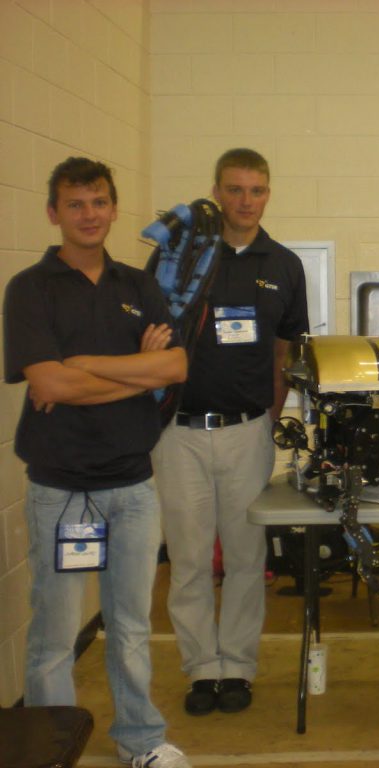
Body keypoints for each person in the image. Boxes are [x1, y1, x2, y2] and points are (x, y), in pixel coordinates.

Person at [2, 157, 191, 768]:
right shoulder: (30, 289)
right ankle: (48, 751)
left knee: (131, 627)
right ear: (54, 212)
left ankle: (141, 742)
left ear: (113, 208)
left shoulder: (138, 286)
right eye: (76, 204)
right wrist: (135, 373)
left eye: (99, 202)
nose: (89, 214)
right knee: (55, 636)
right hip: (60, 490)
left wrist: (82, 366)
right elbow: (48, 385)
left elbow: (175, 367)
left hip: (133, 485)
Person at [153, 148, 309, 715]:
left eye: (257, 190)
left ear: (268, 194)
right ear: (217, 191)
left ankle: (238, 666)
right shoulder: (181, 256)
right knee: (190, 559)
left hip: (248, 432)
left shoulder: (284, 265)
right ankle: (201, 669)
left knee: (246, 557)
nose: (246, 201)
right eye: (235, 189)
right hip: (179, 434)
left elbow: (285, 353)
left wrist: (269, 417)